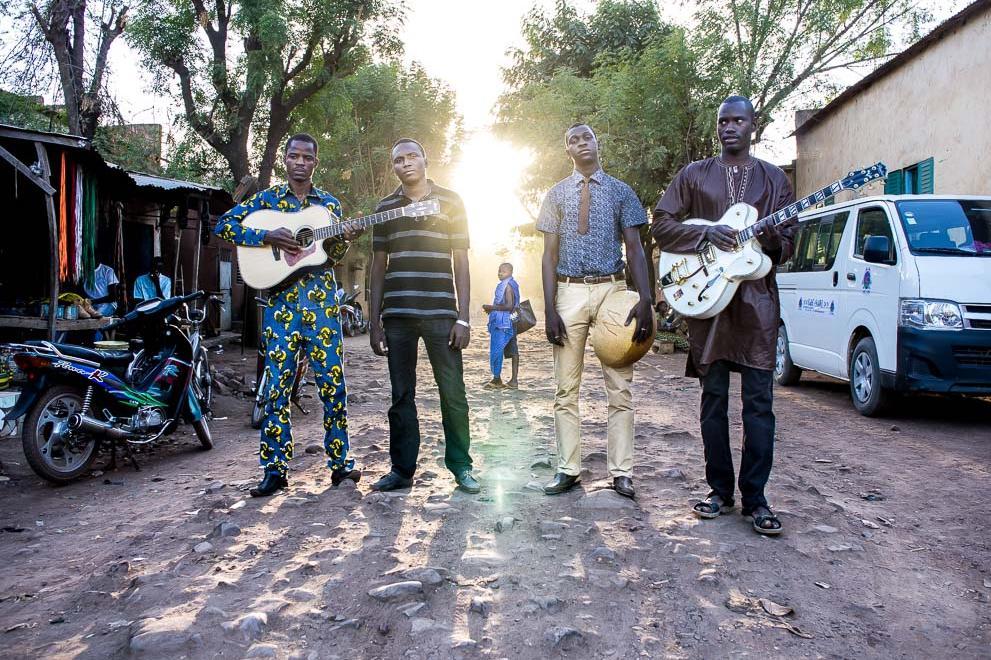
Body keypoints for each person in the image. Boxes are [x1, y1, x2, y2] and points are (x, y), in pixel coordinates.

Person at [651, 95, 796, 535]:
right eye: (723, 121)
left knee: (759, 404)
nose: (730, 127)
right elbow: (661, 224)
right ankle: (719, 491)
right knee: (712, 400)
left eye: (739, 120)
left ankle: (756, 498)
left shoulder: (774, 180)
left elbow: (788, 242)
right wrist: (707, 233)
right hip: (707, 301)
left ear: (754, 126)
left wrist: (771, 240)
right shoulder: (695, 175)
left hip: (756, 304)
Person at [215, 133, 362, 497]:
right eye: (294, 156)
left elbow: (335, 254)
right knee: (276, 388)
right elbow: (224, 225)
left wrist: (347, 235)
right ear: (286, 160)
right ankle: (274, 470)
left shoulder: (328, 204)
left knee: (332, 385)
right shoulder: (267, 200)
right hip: (280, 307)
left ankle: (341, 464)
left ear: (315, 162)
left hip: (322, 305)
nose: (300, 162)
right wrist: (267, 236)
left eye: (307, 157)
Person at [537, 123, 654, 500]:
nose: (581, 143)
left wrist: (646, 299)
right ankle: (568, 469)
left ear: (597, 142)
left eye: (586, 137)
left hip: (613, 291)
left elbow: (635, 249)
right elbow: (549, 255)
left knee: (620, 388)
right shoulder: (555, 195)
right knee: (565, 388)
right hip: (568, 292)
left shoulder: (621, 191)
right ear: (566, 149)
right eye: (573, 139)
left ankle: (622, 472)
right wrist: (550, 309)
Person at [368, 138, 480, 495]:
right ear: (394, 167)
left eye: (412, 156)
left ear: (425, 160)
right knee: (401, 395)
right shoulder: (385, 208)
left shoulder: (452, 201)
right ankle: (402, 470)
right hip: (398, 315)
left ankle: (461, 467)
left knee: (453, 393)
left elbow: (460, 260)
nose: (406, 163)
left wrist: (463, 317)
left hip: (441, 314)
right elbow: (377, 266)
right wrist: (374, 322)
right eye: (398, 159)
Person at [482, 262, 521, 389]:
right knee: (512, 348)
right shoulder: (510, 284)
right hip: (510, 321)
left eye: (503, 271)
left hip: (504, 323)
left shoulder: (508, 286)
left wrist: (491, 307)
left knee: (498, 349)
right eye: (499, 271)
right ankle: (511, 380)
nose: (500, 273)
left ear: (510, 272)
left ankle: (498, 379)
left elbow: (509, 306)